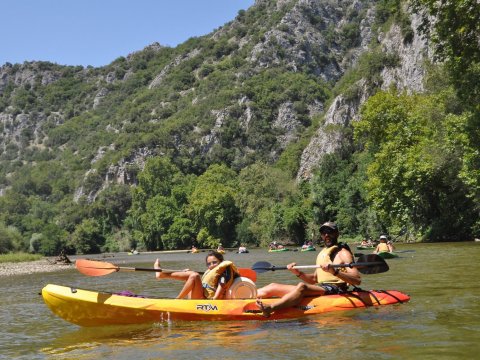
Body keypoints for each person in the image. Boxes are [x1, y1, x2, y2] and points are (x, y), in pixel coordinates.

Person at [256, 222, 361, 317]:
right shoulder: (323, 253)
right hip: (321, 287)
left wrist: (335, 271)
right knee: (273, 286)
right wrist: (298, 273)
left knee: (302, 286)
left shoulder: (344, 253)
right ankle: (244, 294)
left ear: (337, 233)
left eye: (329, 232)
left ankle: (271, 308)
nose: (326, 235)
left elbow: (357, 280)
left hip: (335, 289)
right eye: (323, 232)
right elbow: (315, 278)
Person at [154, 251, 239, 299]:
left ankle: (177, 299)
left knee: (194, 275)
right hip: (200, 295)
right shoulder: (213, 272)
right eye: (209, 264)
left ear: (221, 261)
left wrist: (214, 301)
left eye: (214, 262)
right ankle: (161, 275)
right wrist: (187, 274)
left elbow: (221, 288)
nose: (212, 265)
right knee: (191, 274)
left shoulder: (223, 273)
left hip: (206, 301)